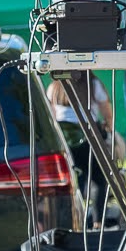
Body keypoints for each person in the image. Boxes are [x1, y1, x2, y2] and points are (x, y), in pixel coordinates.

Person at [47, 72, 112, 225]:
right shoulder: (93, 84)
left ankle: (75, 219)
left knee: (75, 178)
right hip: (88, 135)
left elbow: (51, 114)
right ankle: (98, 220)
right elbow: (106, 112)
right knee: (100, 179)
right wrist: (108, 128)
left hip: (64, 138)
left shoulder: (55, 86)